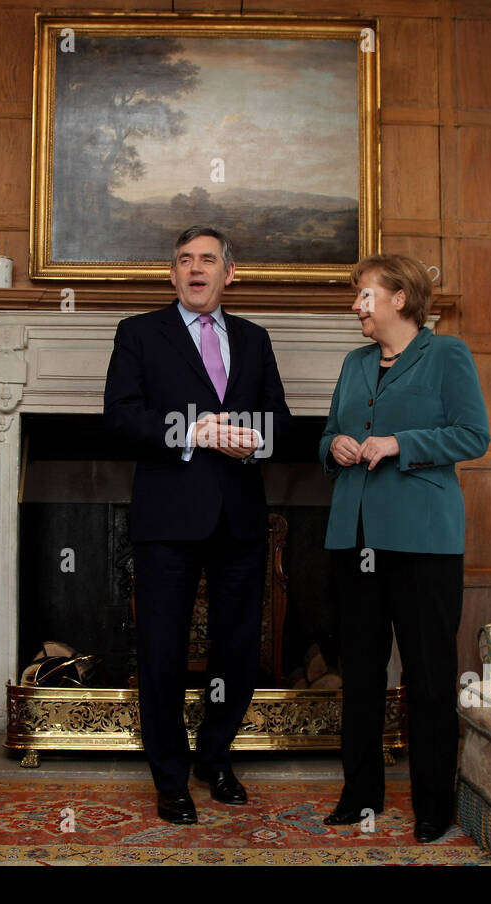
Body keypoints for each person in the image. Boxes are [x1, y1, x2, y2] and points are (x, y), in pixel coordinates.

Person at [103, 225, 292, 824]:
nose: (195, 268)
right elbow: (120, 417)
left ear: (228, 273)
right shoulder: (138, 334)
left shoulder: (255, 339)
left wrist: (253, 439)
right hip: (168, 519)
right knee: (161, 649)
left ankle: (216, 757)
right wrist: (192, 432)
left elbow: (280, 420)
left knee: (236, 649)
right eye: (184, 260)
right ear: (173, 273)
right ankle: (170, 776)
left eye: (207, 259)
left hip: (239, 518)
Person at [319, 253, 490, 843]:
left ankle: (433, 806)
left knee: (428, 676)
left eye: (364, 294)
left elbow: (474, 434)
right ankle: (358, 794)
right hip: (354, 536)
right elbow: (326, 432)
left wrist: (399, 442)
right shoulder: (355, 361)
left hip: (422, 541)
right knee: (361, 674)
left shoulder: (447, 354)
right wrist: (334, 445)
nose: (355, 306)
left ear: (399, 297)